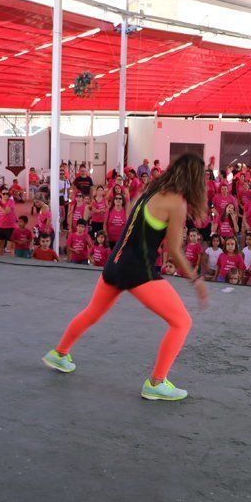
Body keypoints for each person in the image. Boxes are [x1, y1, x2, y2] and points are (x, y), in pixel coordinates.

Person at [42, 153, 209, 401]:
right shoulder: (176, 203)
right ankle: (156, 383)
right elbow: (174, 250)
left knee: (91, 313)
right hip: (139, 271)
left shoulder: (148, 192)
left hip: (115, 264)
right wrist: (196, 279)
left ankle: (59, 353)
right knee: (182, 322)